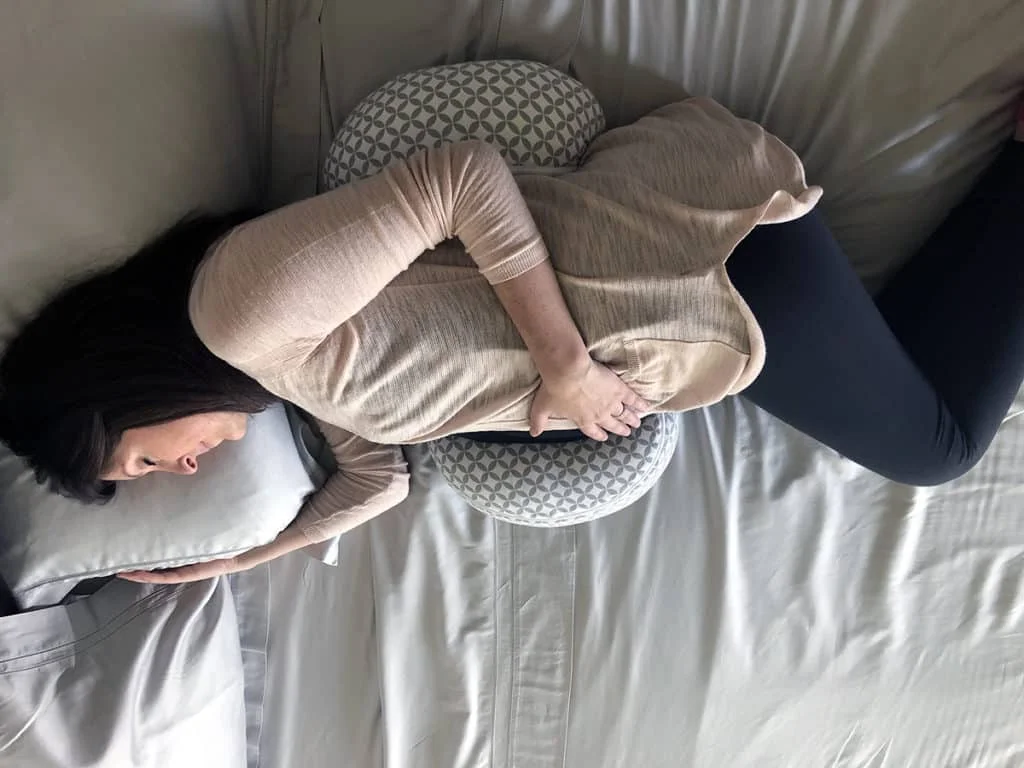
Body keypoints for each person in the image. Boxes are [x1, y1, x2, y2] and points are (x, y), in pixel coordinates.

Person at [1, 97, 1022, 584]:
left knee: (934, 449)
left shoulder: (238, 309)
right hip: (677, 305)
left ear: (121, 380)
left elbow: (459, 179)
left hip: (689, 261)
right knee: (909, 380)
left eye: (143, 456)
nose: (177, 468)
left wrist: (564, 367)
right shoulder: (295, 382)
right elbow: (381, 483)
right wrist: (229, 561)